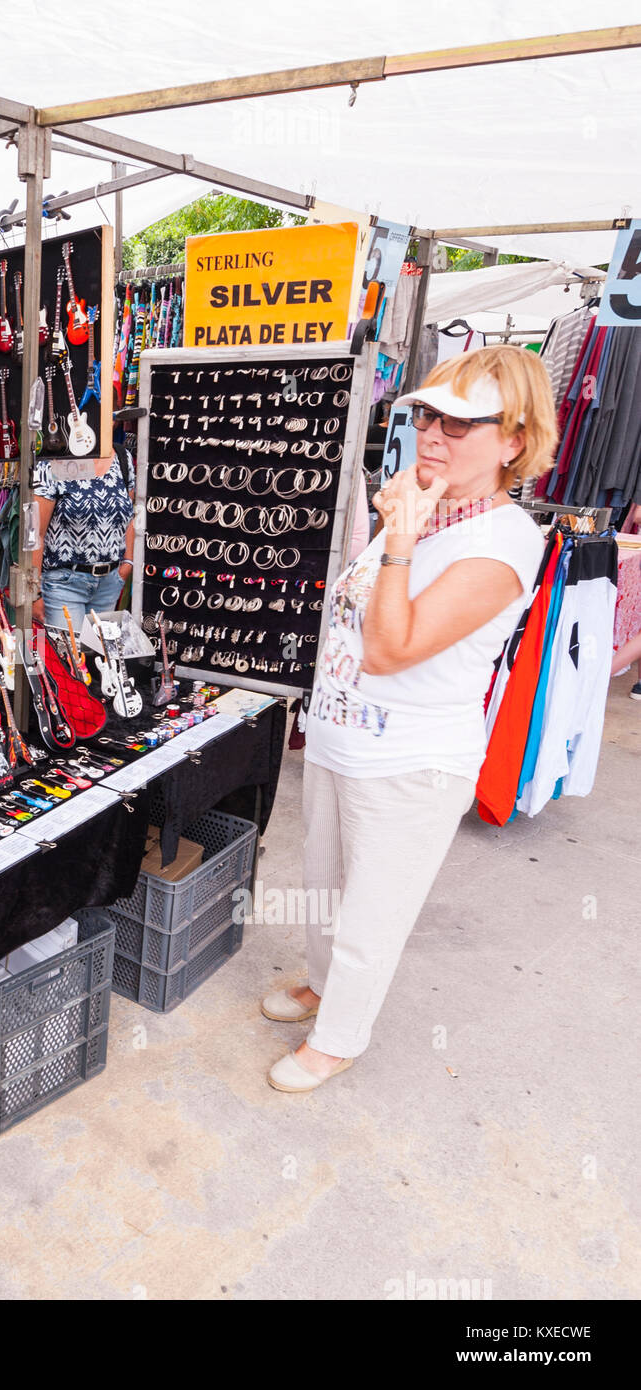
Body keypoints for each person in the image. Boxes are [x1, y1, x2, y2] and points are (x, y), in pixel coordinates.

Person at [262, 345, 555, 1092]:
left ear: (514, 438)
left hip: (410, 761)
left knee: (373, 911)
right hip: (341, 738)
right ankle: (324, 989)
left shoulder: (503, 539)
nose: (433, 434)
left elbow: (392, 648)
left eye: (461, 424)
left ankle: (340, 1036)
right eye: (428, 415)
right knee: (324, 884)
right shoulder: (423, 510)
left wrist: (397, 537)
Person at [30, 451, 136, 630]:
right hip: (64, 584)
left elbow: (129, 514)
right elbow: (35, 533)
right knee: (69, 656)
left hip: (108, 583)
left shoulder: (122, 458)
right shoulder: (54, 462)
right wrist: (34, 592)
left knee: (100, 656)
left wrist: (128, 562)